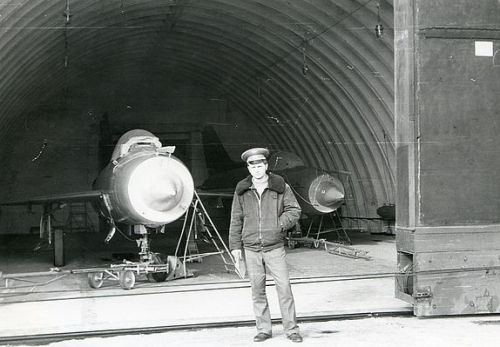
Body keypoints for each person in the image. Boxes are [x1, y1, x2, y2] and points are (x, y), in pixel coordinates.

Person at [229, 147, 303, 343]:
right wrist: (235, 247)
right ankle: (264, 329)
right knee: (257, 290)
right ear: (249, 168)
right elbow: (235, 219)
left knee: (284, 288)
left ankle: (292, 330)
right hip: (251, 248)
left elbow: (294, 210)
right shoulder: (242, 190)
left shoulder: (280, 187)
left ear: (266, 166)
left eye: (260, 166)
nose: (257, 170)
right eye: (253, 167)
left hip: (274, 247)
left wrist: (279, 225)